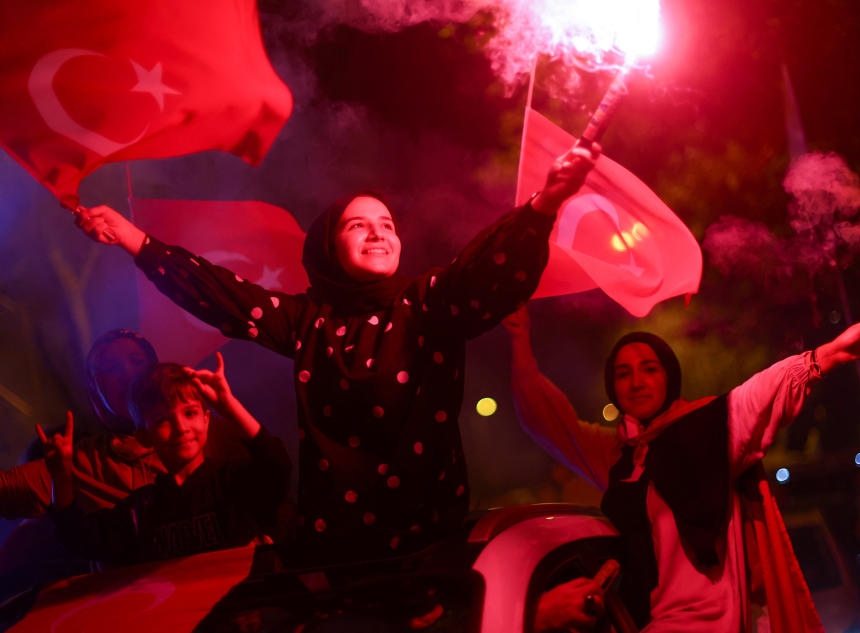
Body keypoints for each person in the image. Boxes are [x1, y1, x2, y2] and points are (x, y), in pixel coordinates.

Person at [73, 144, 599, 566]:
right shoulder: (307, 322)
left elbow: (486, 271)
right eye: (358, 225)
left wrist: (544, 204)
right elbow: (223, 296)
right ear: (328, 246)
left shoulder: (428, 304)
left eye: (388, 224)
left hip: (430, 549)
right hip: (335, 557)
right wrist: (135, 239)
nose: (378, 232)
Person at [504, 305, 860, 632]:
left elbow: (764, 392)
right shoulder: (617, 454)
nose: (636, 381)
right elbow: (547, 421)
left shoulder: (710, 426)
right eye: (623, 373)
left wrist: (830, 354)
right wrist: (520, 341)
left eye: (649, 368)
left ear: (669, 376)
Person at [42, 354, 291, 564]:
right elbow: (81, 540)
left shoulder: (234, 482)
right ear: (144, 436)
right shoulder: (143, 509)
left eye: (190, 413)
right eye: (162, 420)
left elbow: (276, 466)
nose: (180, 427)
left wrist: (228, 405)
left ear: (206, 418)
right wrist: (61, 477)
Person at [0, 330, 164, 520]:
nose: (126, 374)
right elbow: (6, 488)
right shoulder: (81, 462)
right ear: (96, 393)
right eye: (111, 368)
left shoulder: (198, 434)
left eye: (137, 361)